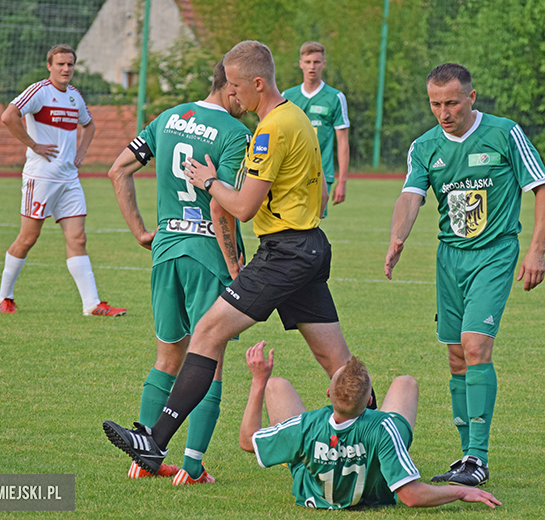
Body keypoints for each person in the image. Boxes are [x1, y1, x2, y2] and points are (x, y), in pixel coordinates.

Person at [103, 40, 372, 476]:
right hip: (307, 246)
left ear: (257, 83)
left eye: (235, 85)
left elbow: (242, 207)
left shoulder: (269, 129)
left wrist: (209, 181)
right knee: (336, 362)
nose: (232, 94)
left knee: (206, 332)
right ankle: (377, 443)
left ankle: (154, 441)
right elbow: (320, 194)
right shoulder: (295, 117)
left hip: (284, 252)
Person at [384, 63, 545, 487]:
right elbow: (411, 196)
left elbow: (543, 189)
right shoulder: (424, 146)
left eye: (452, 103)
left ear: (472, 98)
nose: (444, 112)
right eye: (436, 104)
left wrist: (536, 250)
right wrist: (397, 239)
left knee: (475, 345)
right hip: (450, 260)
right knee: (456, 355)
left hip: (495, 255)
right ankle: (465, 457)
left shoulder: (504, 133)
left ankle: (478, 457)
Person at [106, 60, 251, 485]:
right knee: (213, 359)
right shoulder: (237, 134)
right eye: (242, 92)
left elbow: (118, 170)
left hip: (166, 250)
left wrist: (140, 233)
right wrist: (234, 265)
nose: (246, 102)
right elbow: (221, 203)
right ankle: (191, 466)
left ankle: (143, 458)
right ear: (229, 88)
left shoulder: (168, 118)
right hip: (208, 254)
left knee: (168, 357)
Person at [239, 341, 502, 510]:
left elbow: (247, 440)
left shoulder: (306, 425)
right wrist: (459, 492)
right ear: (370, 400)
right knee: (405, 383)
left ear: (328, 394)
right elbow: (410, 496)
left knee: (275, 386)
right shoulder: (383, 426)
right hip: (374, 473)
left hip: (314, 492)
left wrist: (258, 381)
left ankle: (295, 451)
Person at [0, 44, 125, 317]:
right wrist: (33, 144)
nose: (66, 69)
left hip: (69, 179)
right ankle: (4, 297)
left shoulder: (75, 97)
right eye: (61, 64)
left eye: (70, 65)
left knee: (78, 238)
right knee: (29, 237)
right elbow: (8, 116)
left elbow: (89, 125)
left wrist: (81, 152)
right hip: (40, 178)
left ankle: (92, 305)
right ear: (49, 66)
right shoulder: (39, 91)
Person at [282, 41, 350, 214]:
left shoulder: (335, 97)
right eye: (308, 62)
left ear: (323, 64)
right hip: (291, 172)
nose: (312, 66)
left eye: (316, 62)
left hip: (321, 174)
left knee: (313, 225)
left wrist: (342, 182)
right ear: (301, 64)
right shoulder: (287, 96)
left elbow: (342, 142)